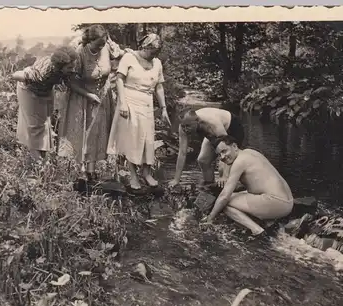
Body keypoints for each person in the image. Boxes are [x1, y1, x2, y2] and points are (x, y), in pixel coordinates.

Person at [57, 25, 127, 181]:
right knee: (84, 132)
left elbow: (122, 54)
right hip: (82, 97)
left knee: (97, 133)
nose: (101, 47)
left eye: (103, 44)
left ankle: (91, 170)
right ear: (90, 41)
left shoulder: (107, 47)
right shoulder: (80, 53)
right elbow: (70, 82)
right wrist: (88, 95)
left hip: (103, 96)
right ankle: (81, 170)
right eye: (98, 44)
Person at [106, 33, 171, 191]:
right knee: (132, 139)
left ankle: (146, 173)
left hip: (147, 103)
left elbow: (159, 86)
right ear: (145, 47)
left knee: (148, 139)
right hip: (130, 101)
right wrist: (122, 103)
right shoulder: (129, 58)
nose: (154, 55)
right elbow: (120, 79)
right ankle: (133, 175)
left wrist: (163, 109)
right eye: (152, 51)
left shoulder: (157, 63)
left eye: (157, 52)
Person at [202, 135, 294, 241]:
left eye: (224, 151)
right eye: (219, 154)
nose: (222, 157)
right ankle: (268, 221)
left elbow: (224, 196)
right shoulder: (249, 152)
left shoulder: (239, 162)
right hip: (288, 201)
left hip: (277, 203)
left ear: (234, 146)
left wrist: (210, 218)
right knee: (232, 196)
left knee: (224, 203)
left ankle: (257, 230)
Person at [11, 46, 76, 162]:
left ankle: (43, 156)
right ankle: (38, 162)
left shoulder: (65, 65)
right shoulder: (41, 74)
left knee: (46, 123)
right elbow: (16, 75)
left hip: (45, 89)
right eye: (70, 67)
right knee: (34, 126)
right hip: (28, 89)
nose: (72, 69)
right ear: (60, 67)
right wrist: (23, 74)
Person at [168, 107, 245, 189]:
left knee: (223, 168)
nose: (185, 129)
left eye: (188, 126)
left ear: (197, 121)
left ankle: (232, 188)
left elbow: (227, 147)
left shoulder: (212, 122)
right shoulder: (183, 127)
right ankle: (210, 186)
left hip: (232, 129)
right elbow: (182, 153)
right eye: (183, 126)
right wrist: (176, 179)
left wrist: (224, 176)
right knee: (203, 160)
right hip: (213, 133)